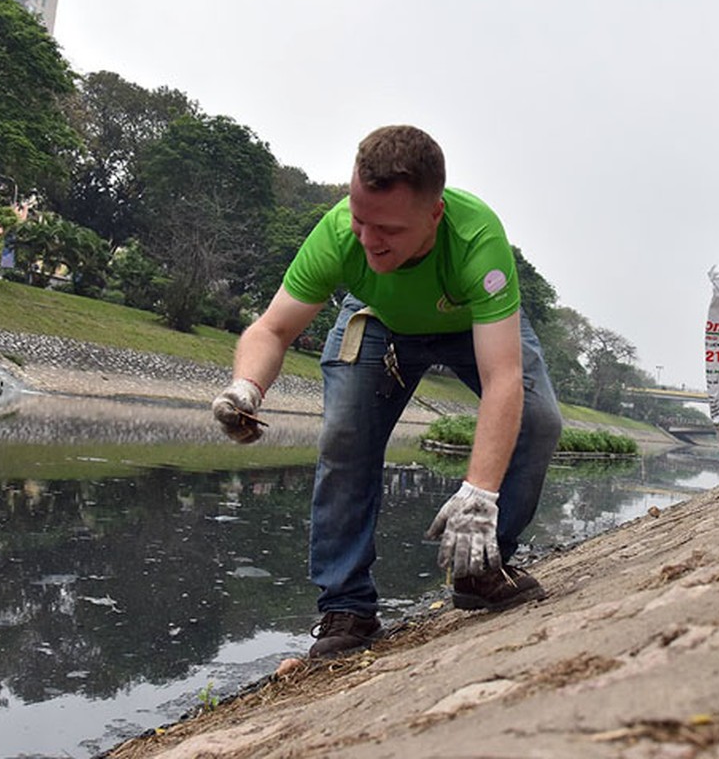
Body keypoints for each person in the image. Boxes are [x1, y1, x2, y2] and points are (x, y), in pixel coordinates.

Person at [212, 125, 562, 659]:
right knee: (345, 438)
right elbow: (271, 329)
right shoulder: (338, 233)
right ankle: (346, 606)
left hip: (468, 323)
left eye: (389, 230)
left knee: (539, 421)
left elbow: (503, 378)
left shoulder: (476, 240)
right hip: (377, 321)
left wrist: (479, 491)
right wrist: (247, 385)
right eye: (359, 218)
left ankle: (480, 567)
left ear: (434, 215)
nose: (368, 240)